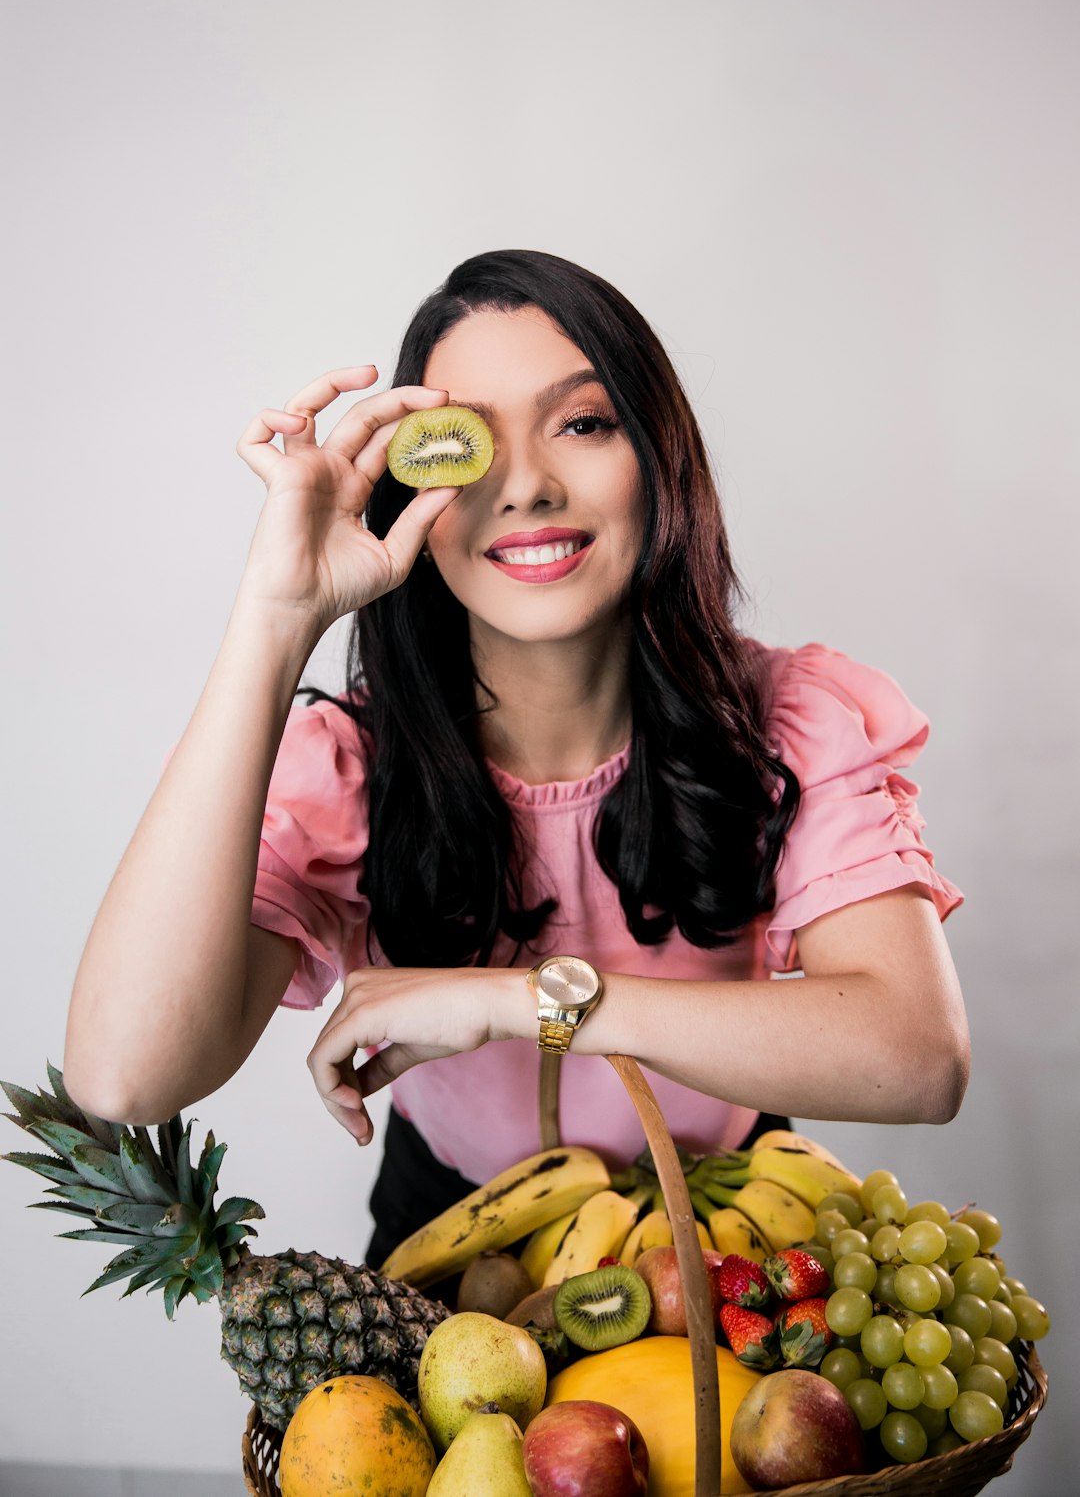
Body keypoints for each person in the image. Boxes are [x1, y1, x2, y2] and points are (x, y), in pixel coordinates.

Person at [63, 249, 970, 1269]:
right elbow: (122, 1077)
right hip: (456, 1239)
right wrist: (276, 618)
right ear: (411, 489)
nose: (529, 487)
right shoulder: (349, 771)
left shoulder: (790, 719)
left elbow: (919, 1061)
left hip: (737, 1227)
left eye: (582, 424)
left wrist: (521, 1002)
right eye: (467, 446)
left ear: (659, 456)